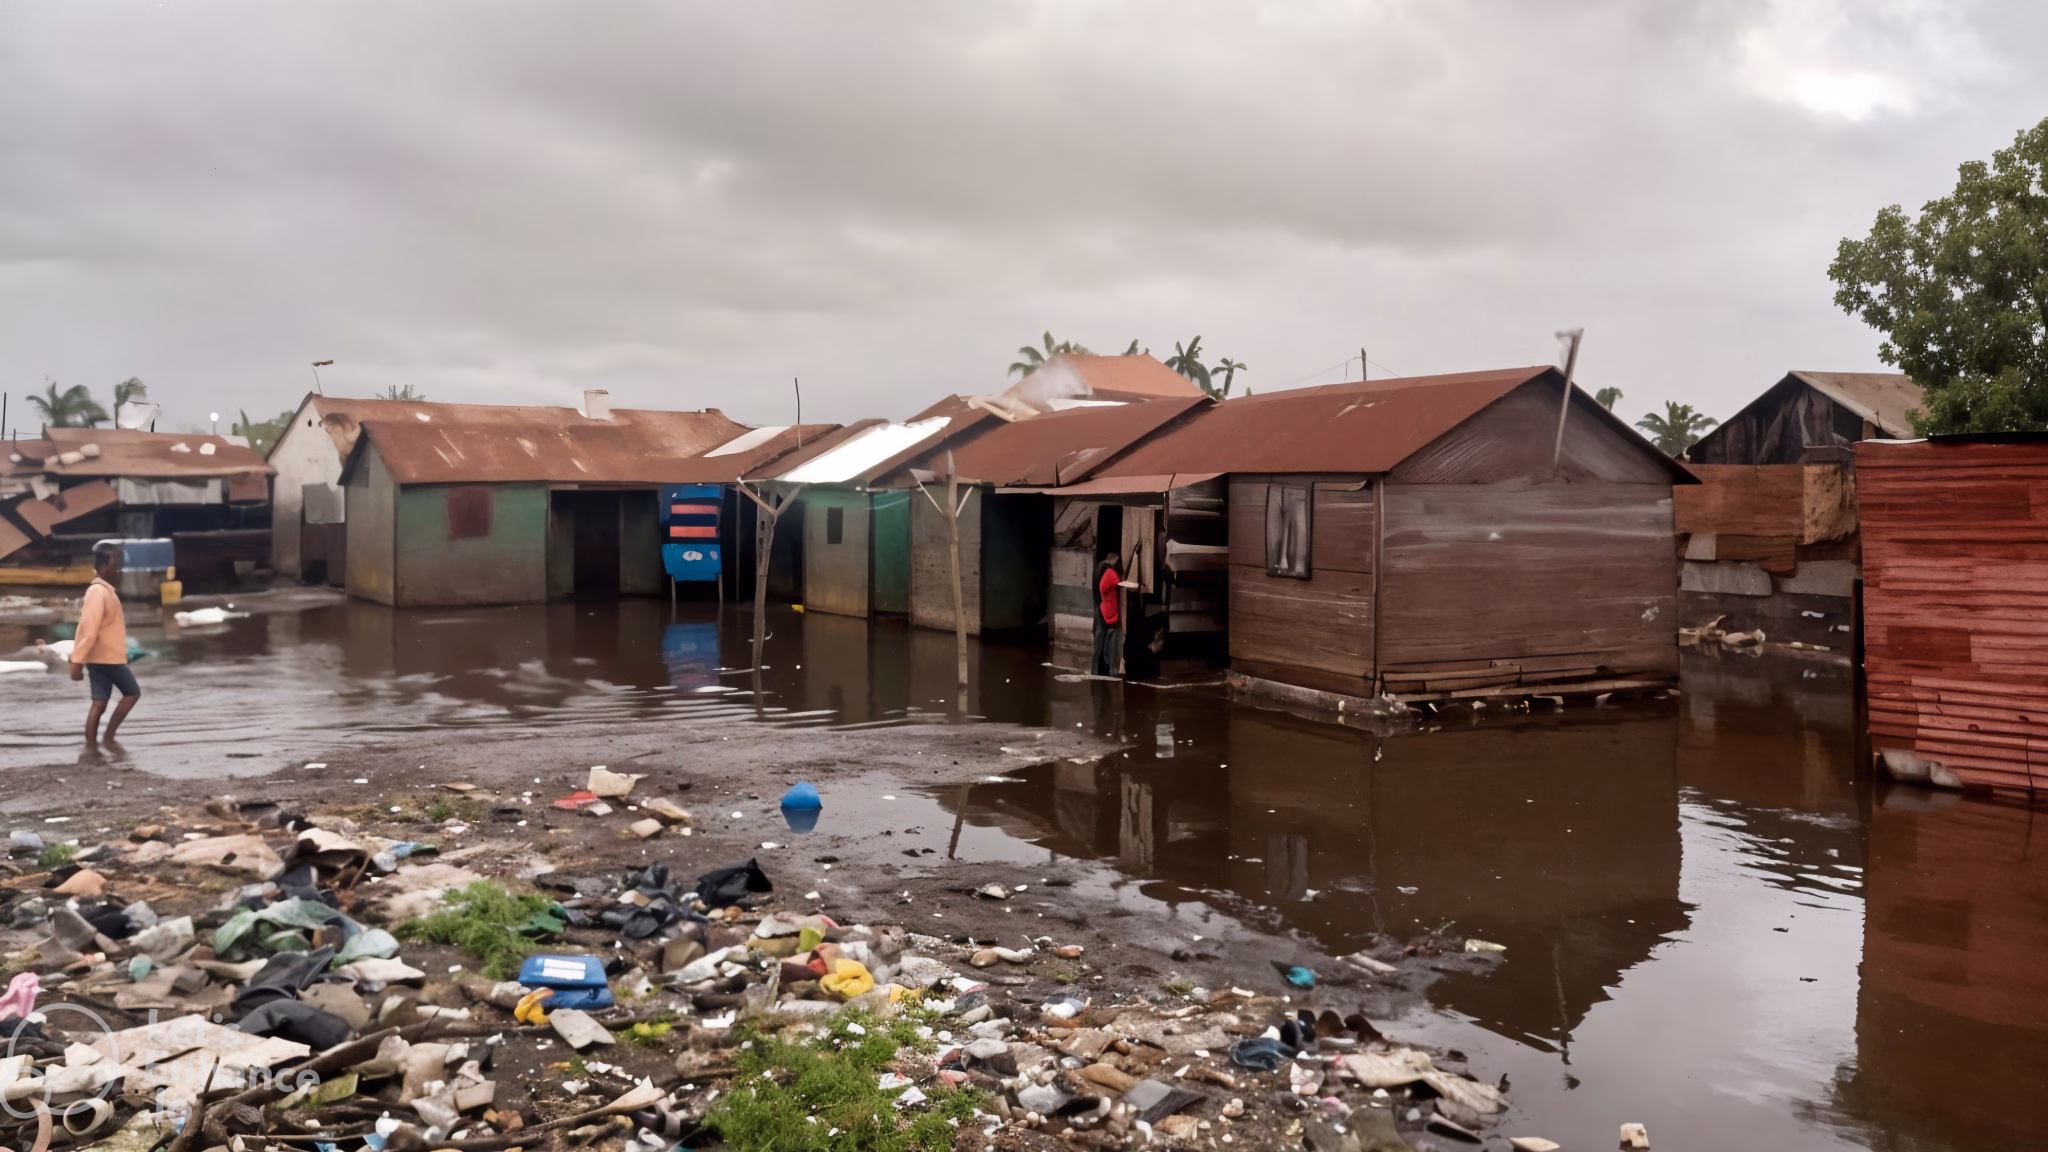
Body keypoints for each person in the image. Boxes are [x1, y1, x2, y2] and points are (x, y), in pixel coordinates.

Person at [69, 542, 140, 747]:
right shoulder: (98, 591)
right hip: (107, 659)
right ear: (108, 562)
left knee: (99, 703)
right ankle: (108, 738)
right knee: (132, 693)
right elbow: (87, 628)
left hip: (101, 657)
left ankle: (91, 746)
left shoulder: (105, 591)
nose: (118, 570)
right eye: (116, 564)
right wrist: (76, 660)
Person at [1092, 556, 1123, 677]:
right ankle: (1103, 671)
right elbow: (1116, 581)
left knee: (1100, 643)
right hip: (1104, 610)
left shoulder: (1100, 571)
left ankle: (1097, 672)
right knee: (1103, 642)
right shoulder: (1109, 573)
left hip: (1101, 608)